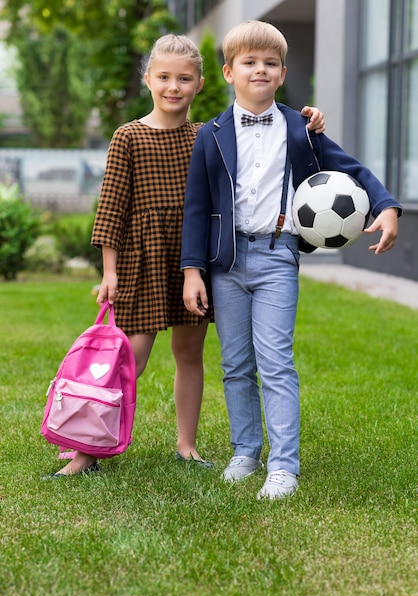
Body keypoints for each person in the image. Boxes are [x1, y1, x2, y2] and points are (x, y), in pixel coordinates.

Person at [47, 33, 325, 476]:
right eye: (163, 77)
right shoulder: (128, 136)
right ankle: (87, 449)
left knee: (190, 353)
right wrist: (109, 271)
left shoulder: (210, 135)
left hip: (196, 261)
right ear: (148, 80)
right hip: (144, 262)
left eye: (184, 78)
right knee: (126, 361)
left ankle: (187, 445)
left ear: (200, 83)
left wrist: (308, 120)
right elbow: (111, 208)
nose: (173, 86)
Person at [181, 20, 402, 500]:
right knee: (236, 364)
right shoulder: (209, 135)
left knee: (276, 362)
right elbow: (196, 208)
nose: (260, 69)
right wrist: (192, 270)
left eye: (270, 63)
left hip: (278, 255)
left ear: (282, 73)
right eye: (249, 62)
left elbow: (352, 169)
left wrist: (385, 206)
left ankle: (284, 466)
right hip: (226, 263)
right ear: (228, 72)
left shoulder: (301, 127)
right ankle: (246, 451)